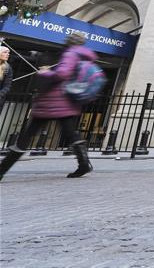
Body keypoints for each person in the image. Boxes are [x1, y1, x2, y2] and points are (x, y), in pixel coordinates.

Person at [0, 33, 96, 181]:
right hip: (68, 100)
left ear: (69, 42)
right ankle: (83, 163)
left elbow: (63, 73)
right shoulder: (83, 56)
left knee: (27, 135)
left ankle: (2, 169)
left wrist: (45, 72)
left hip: (54, 99)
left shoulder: (70, 54)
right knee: (70, 133)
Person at [0, 45, 13, 112]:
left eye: (8, 53)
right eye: (5, 52)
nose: (8, 54)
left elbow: (7, 86)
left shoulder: (7, 68)